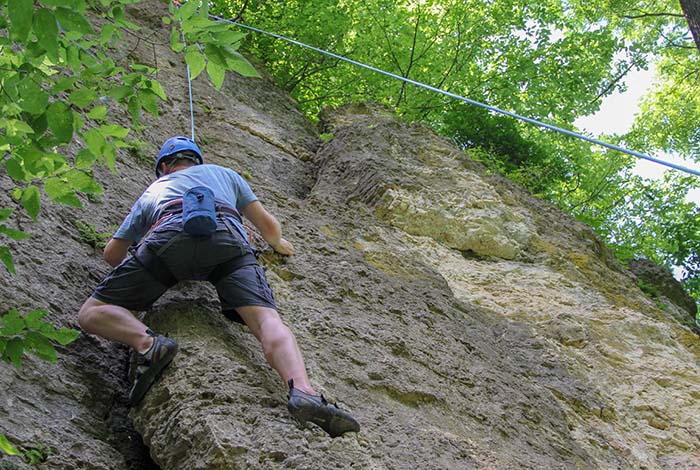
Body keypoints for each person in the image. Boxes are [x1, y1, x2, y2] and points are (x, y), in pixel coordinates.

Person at [77, 136, 360, 438]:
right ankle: (304, 392)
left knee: (92, 312)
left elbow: (112, 255)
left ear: (163, 167)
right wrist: (278, 244)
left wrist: (148, 251)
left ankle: (150, 345)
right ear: (198, 161)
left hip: (170, 239)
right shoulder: (226, 175)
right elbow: (269, 228)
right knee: (266, 321)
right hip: (229, 241)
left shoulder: (154, 189)